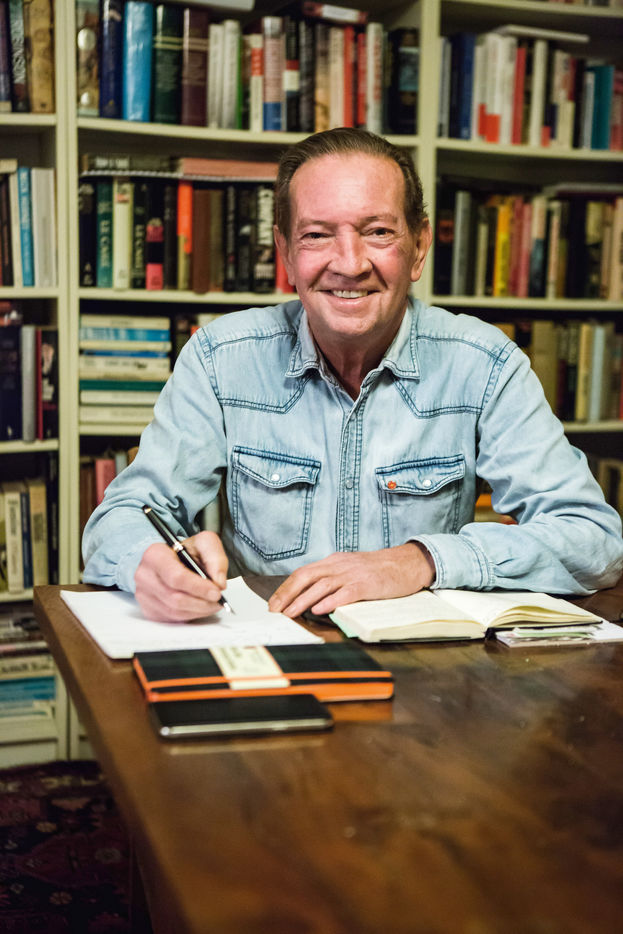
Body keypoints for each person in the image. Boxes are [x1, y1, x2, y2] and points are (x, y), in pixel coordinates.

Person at [82, 127, 623, 622]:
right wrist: (148, 563)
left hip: (428, 671)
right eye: (317, 235)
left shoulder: (485, 365)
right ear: (286, 254)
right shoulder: (220, 359)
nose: (349, 263)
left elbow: (594, 540)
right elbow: (122, 515)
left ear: (419, 248)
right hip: (272, 651)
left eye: (378, 231)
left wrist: (421, 560)